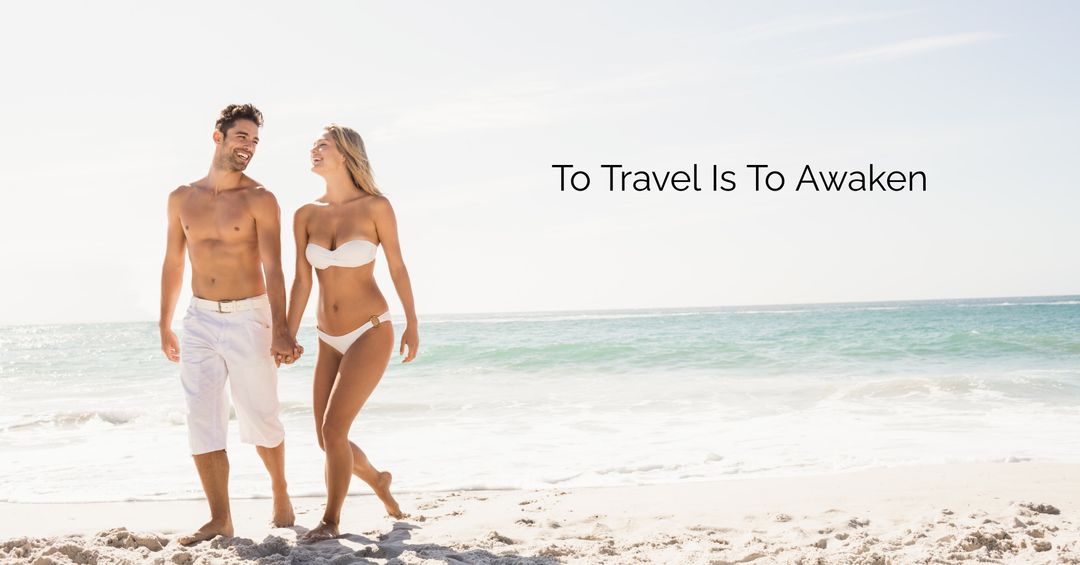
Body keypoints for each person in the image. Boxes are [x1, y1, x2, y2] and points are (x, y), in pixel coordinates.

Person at [159, 103, 301, 544]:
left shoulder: (260, 198)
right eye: (242, 137)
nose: (249, 147)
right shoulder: (181, 198)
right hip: (199, 317)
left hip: (249, 316)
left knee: (261, 416)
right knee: (201, 416)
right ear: (217, 136)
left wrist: (281, 328)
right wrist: (165, 322)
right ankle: (220, 517)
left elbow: (275, 268)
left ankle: (280, 489)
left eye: (255, 141)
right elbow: (173, 262)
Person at [287, 124, 419, 541]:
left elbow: (397, 266)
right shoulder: (305, 214)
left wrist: (413, 323)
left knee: (333, 431)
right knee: (328, 440)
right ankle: (378, 480)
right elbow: (302, 282)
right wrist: (286, 335)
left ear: (344, 154)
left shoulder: (376, 207)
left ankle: (331, 520)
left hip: (370, 330)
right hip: (327, 336)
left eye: (321, 145)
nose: (313, 150)